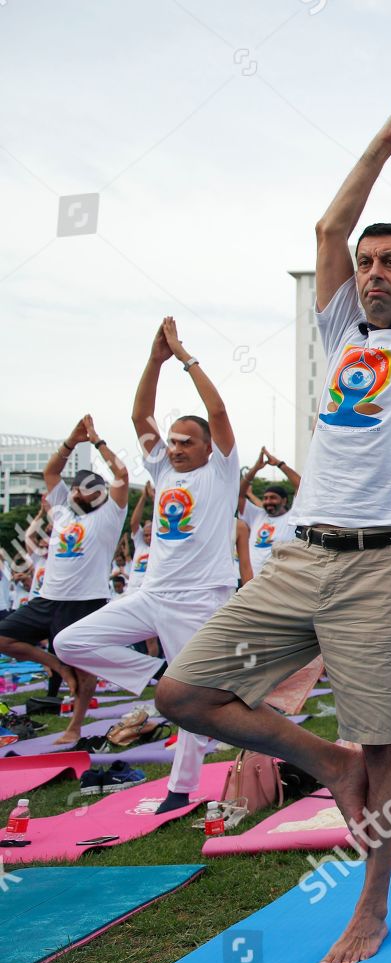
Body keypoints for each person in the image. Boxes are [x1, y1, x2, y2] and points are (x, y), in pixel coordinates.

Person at [152, 92, 391, 963]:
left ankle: (370, 904)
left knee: (387, 746)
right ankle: (321, 760)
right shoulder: (340, 331)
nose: (372, 272)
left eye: (390, 263)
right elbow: (329, 224)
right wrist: (382, 141)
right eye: (366, 263)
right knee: (181, 693)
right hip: (303, 555)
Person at [55, 321, 238, 802]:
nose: (174, 448)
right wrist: (153, 360)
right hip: (151, 595)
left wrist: (182, 355)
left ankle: (181, 789)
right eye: (171, 441)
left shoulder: (220, 471)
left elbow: (216, 410)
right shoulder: (160, 467)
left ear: (206, 448)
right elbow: (141, 415)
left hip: (198, 601)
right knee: (69, 641)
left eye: (185, 443)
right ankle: (155, 677)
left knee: (194, 703)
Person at [0, 416, 126, 741]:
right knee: (4, 638)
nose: (77, 493)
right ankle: (57, 666)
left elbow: (122, 475)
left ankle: (75, 727)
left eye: (86, 490)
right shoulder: (62, 512)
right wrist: (72, 440)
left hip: (86, 602)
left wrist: (97, 440)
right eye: (75, 488)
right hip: (48, 598)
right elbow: (51, 472)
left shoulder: (110, 515)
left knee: (85, 670)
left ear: (98, 494)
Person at [238, 448, 302, 579]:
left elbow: (302, 486)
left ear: (284, 500)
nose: (268, 501)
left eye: (273, 497)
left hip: (281, 584)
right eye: (265, 498)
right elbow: (239, 496)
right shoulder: (256, 516)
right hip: (253, 584)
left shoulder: (293, 517)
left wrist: (280, 464)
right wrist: (255, 468)